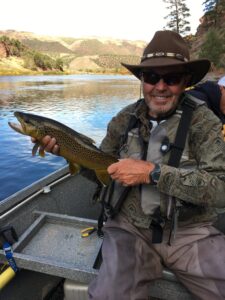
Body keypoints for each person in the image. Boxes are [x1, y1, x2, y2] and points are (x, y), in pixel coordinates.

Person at [35, 30, 225, 300]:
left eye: (171, 78)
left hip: (189, 232)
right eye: (151, 77)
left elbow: (221, 189)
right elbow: (102, 173)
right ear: (142, 80)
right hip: (128, 228)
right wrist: (69, 153)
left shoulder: (204, 123)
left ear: (185, 82)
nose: (160, 87)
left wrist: (154, 173)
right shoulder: (123, 120)